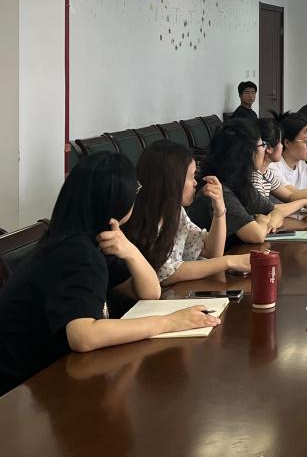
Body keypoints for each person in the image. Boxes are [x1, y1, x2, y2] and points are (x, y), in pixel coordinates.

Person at [0, 154, 218, 395]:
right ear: (116, 201)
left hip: (43, 378)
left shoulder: (87, 236)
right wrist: (168, 322)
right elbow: (84, 336)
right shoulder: (77, 253)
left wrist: (130, 251)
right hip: (18, 392)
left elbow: (150, 291)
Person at [123, 140, 252, 284]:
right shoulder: (142, 217)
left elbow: (211, 251)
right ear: (172, 181)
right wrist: (228, 262)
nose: (195, 182)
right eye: (191, 177)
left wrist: (219, 211)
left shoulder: (176, 212)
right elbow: (165, 274)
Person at [188, 119, 286, 248]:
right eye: (262, 145)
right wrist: (263, 220)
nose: (264, 149)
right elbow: (256, 235)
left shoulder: (241, 184)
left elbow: (276, 211)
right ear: (247, 153)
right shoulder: (217, 189)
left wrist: (270, 222)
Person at [252, 117, 307, 208]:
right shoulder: (266, 169)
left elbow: (290, 196)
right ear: (287, 143)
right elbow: (292, 195)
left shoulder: (300, 166)